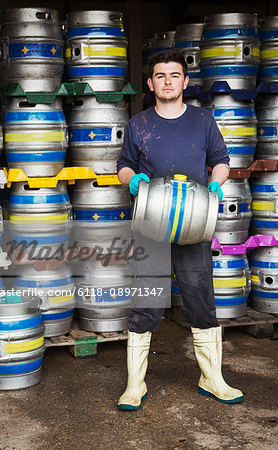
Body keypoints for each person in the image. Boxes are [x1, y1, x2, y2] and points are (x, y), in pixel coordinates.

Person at [116, 48, 243, 410]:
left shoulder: (203, 120)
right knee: (146, 303)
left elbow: (221, 161)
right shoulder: (139, 124)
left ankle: (212, 378)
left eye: (174, 75)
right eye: (160, 76)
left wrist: (216, 184)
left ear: (184, 81)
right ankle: (135, 384)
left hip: (193, 224)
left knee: (201, 299)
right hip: (151, 226)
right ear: (150, 82)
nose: (167, 81)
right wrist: (133, 180)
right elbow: (123, 165)